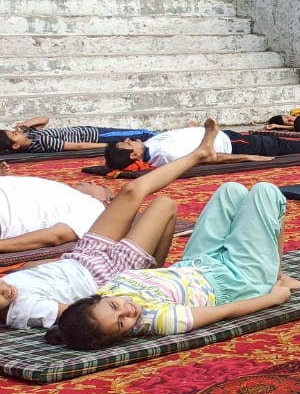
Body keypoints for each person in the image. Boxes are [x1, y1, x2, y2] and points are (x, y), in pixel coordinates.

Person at [46, 178, 300, 351]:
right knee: (265, 192)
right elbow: (228, 311)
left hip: (195, 263)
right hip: (236, 280)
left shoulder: (111, 287)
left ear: (99, 297)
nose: (127, 312)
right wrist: (273, 298)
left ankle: (273, 268)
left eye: (114, 307)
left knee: (232, 190)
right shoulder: (158, 320)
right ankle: (276, 274)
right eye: (120, 324)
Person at [2, 121, 220, 329]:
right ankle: (150, 278)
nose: (4, 290)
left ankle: (201, 153)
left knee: (129, 192)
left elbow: (36, 272)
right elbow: (81, 316)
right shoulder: (24, 310)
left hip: (82, 256)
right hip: (106, 274)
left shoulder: (7, 286)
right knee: (164, 205)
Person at [104, 123, 300, 173]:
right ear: (133, 154)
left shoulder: (151, 148)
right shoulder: (165, 156)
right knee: (274, 145)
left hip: (225, 137)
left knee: (272, 143)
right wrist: (248, 158)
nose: (131, 140)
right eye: (128, 143)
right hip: (228, 144)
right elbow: (209, 158)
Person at [0, 175, 111, 254]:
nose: (92, 182)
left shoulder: (95, 208)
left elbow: (54, 236)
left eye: (102, 187)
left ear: (107, 201)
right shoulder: (65, 192)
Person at [0, 119, 156, 156]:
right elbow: (76, 146)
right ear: (15, 146)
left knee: (136, 136)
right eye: (15, 135)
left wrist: (23, 125)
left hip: (89, 131)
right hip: (95, 136)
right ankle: (163, 137)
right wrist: (107, 146)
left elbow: (44, 119)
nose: (18, 132)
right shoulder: (42, 142)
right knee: (139, 134)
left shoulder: (31, 135)